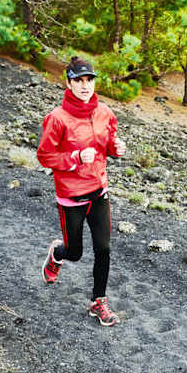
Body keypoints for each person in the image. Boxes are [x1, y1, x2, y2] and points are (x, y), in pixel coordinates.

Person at [36, 57, 126, 326]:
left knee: (104, 249)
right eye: (79, 80)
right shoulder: (56, 119)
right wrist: (75, 157)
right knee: (75, 252)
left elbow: (107, 143)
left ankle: (98, 302)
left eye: (89, 80)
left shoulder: (105, 113)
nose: (85, 86)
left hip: (98, 191)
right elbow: (44, 156)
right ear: (68, 83)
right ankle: (56, 255)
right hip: (71, 197)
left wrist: (116, 149)